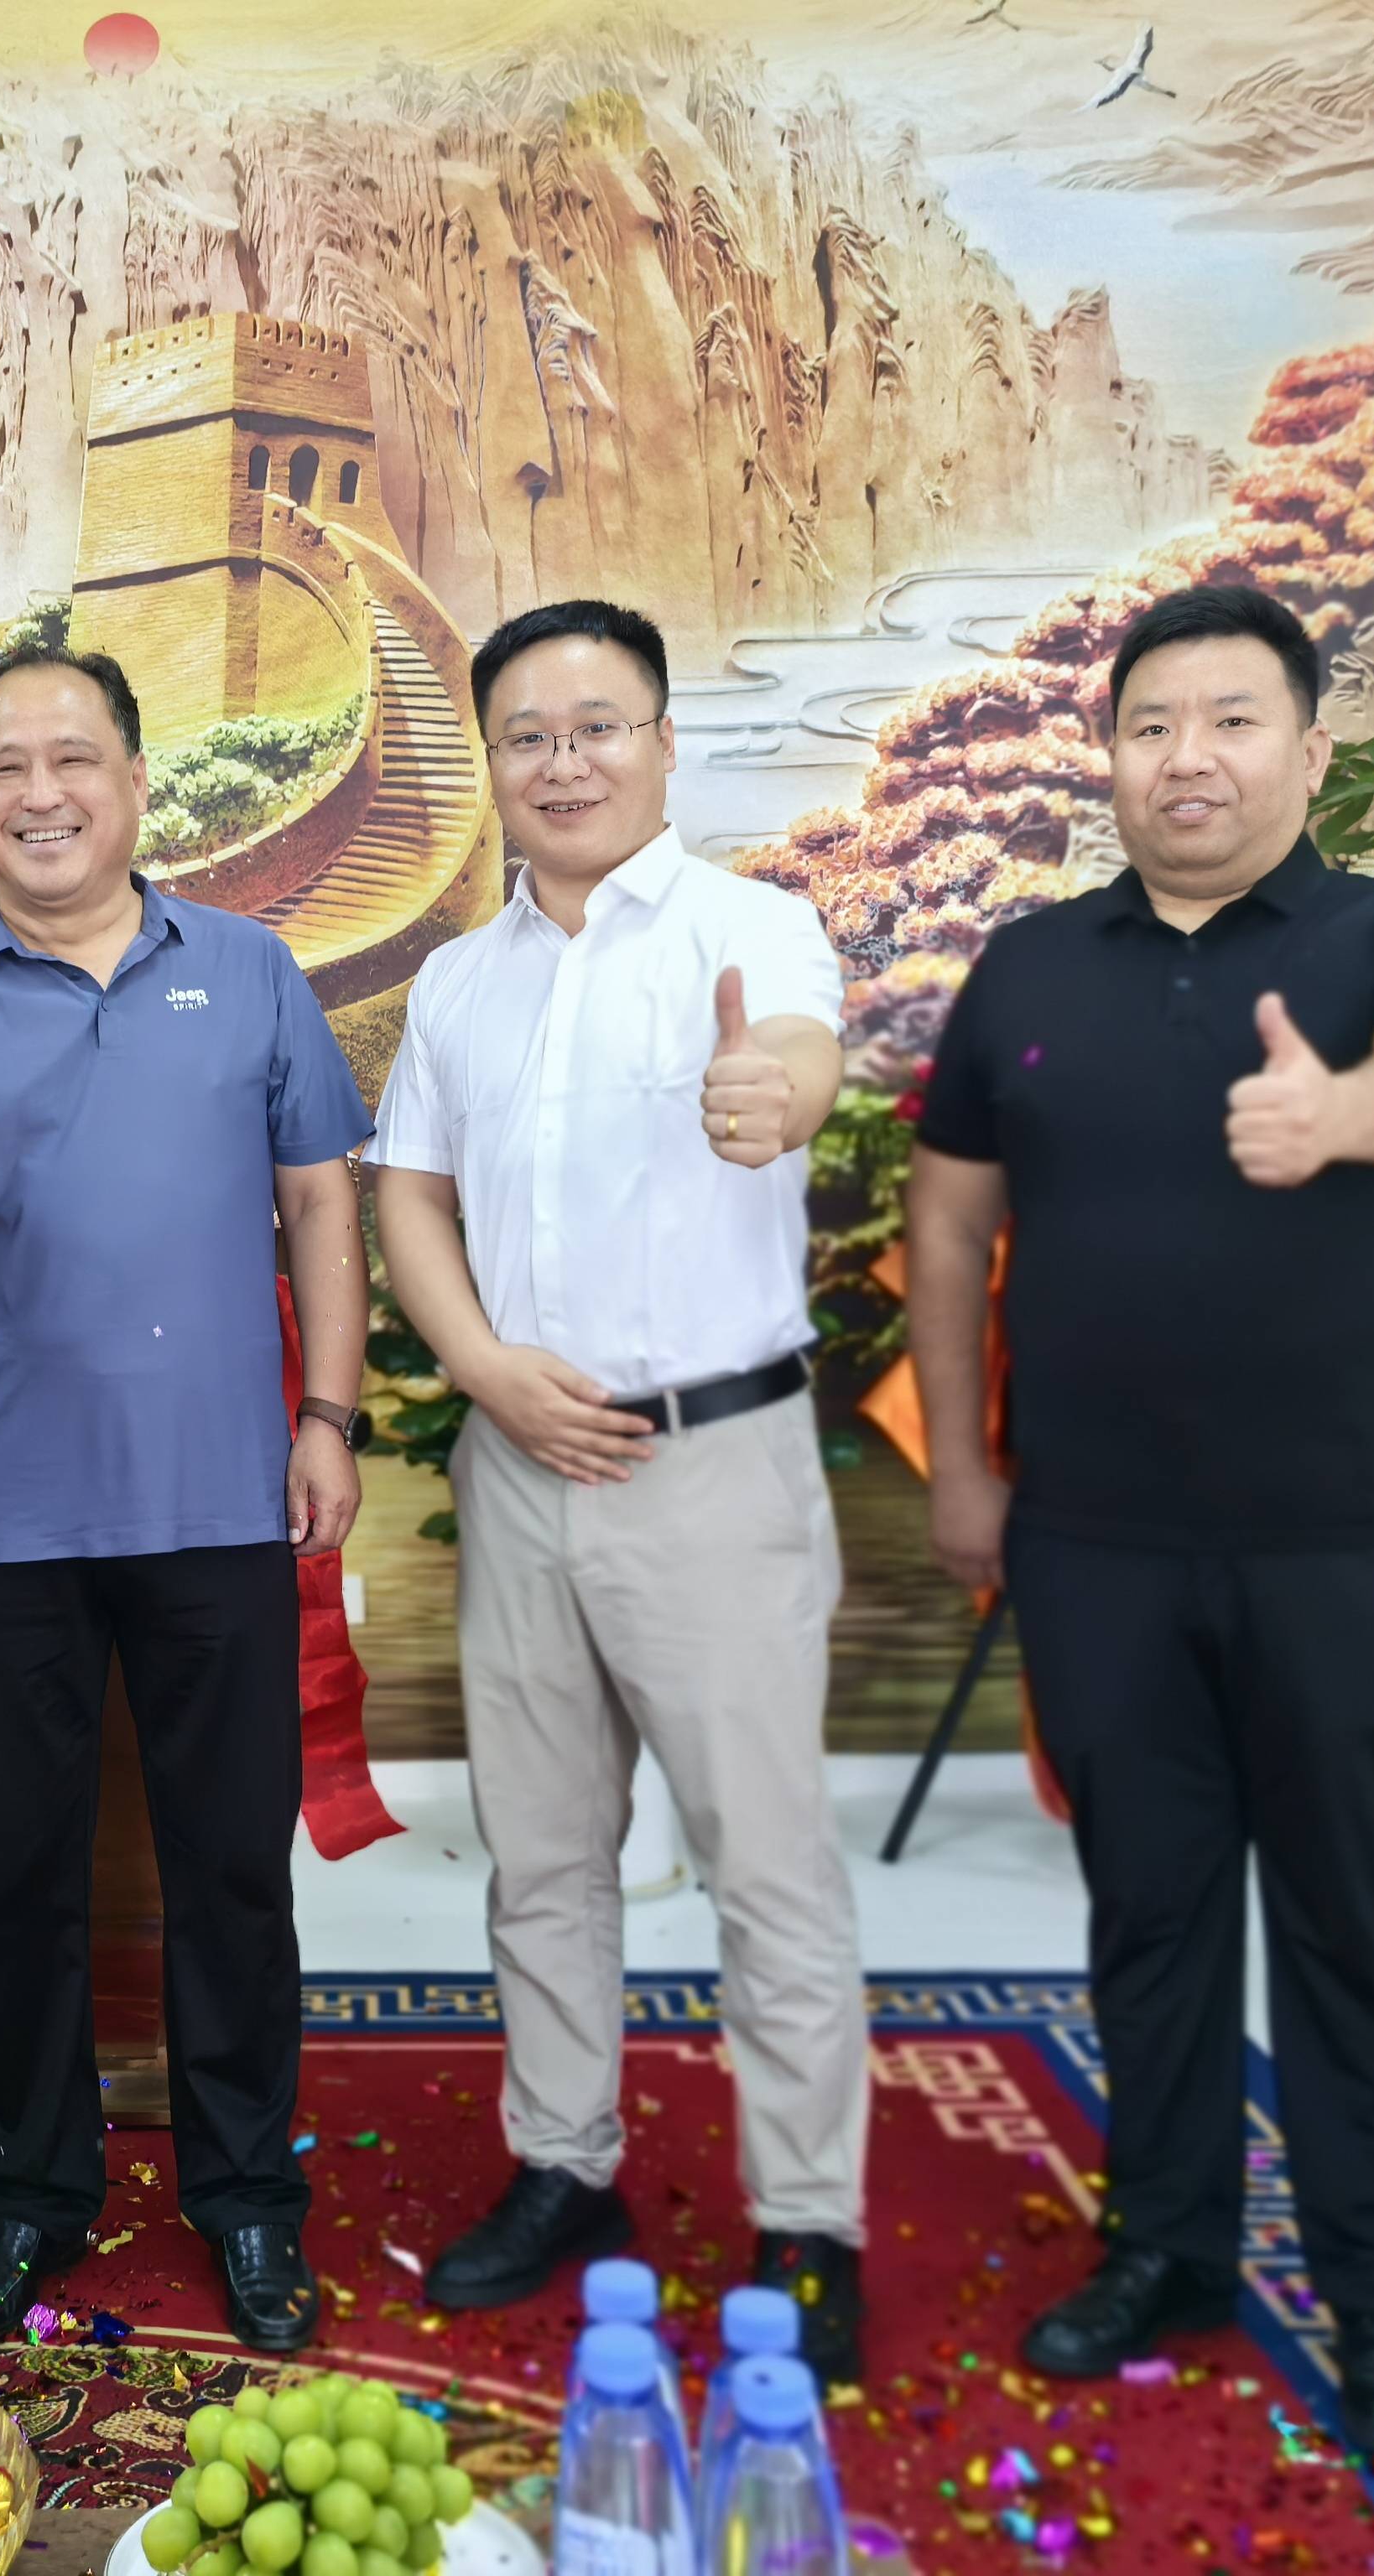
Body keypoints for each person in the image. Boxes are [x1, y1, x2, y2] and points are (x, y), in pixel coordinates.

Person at [907, 583, 1374, 2460]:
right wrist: (961, 1470)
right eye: (1150, 723)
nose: (1188, 756)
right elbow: (947, 1218)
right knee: (1149, 1918)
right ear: (1105, 756)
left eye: (1231, 719)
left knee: (1353, 1931)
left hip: (1337, 1540)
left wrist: (1341, 1114)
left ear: (1310, 750)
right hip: (1093, 1540)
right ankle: (1167, 2249)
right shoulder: (1027, 966)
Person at [0, 641, 372, 2353]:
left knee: (233, 1872)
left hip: (218, 1500)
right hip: (4, 1518)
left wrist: (327, 1414)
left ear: (136, 782)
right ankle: (31, 2192)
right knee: (16, 1877)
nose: (40, 792)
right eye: (2, 766)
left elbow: (320, 1203)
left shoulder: (250, 969)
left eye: (72, 758)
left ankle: (247, 2197)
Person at [370, 599, 872, 2381]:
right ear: (490, 762)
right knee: (541, 1850)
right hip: (518, 1460)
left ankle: (807, 2221)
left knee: (765, 1862)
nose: (561, 762)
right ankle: (562, 2167)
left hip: (706, 1466)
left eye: (595, 727)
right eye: (525, 735)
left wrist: (767, 1101)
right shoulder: (460, 981)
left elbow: (795, 1060)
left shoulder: (752, 927)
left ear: (662, 743)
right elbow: (408, 1195)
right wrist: (481, 1368)